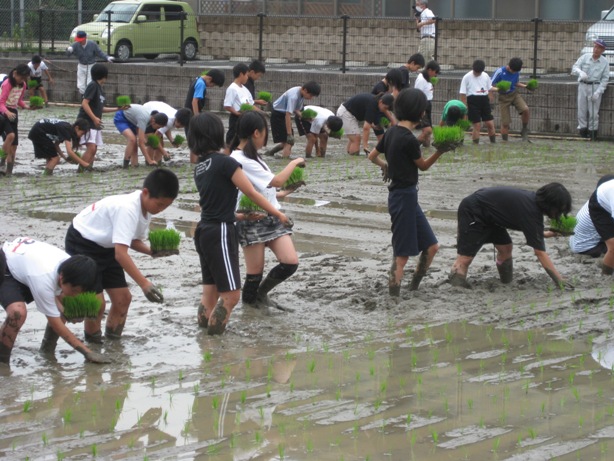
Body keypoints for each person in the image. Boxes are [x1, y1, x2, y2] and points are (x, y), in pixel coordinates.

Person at [190, 113, 290, 335]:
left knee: (210, 293)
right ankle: (214, 343)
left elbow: (214, 205)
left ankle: (203, 339)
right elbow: (252, 192)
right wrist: (277, 214)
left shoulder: (200, 166)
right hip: (221, 232)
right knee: (232, 295)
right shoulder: (227, 163)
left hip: (204, 230)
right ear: (216, 134)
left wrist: (242, 217)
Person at [64, 168, 179, 342]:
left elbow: (131, 240)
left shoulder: (146, 211)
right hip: (83, 241)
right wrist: (144, 283)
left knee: (123, 298)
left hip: (108, 246)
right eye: (160, 204)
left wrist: (152, 252)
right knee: (97, 304)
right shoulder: (128, 209)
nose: (161, 210)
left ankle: (113, 340)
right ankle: (93, 343)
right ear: (146, 193)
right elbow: (120, 254)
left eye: (166, 206)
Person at [367, 88, 452, 297]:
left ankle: (413, 288)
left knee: (431, 246)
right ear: (421, 113)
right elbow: (422, 166)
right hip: (402, 197)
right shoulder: (408, 139)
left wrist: (385, 166)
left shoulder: (392, 132)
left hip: (407, 197)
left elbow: (371, 156)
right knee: (401, 255)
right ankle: (393, 297)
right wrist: (441, 150)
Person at [230, 111, 305, 311]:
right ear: (256, 132)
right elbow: (275, 181)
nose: (266, 137)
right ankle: (249, 308)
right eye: (265, 132)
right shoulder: (240, 159)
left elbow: (267, 190)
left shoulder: (253, 158)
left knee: (290, 262)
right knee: (254, 274)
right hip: (251, 220)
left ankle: (261, 295)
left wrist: (286, 192)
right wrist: (294, 162)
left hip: (271, 217)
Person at [0, 237, 110, 365]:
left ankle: (47, 350)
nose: (76, 295)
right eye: (74, 291)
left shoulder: (71, 266)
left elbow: (57, 296)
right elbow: (56, 322)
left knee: (63, 304)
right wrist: (87, 352)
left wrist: (66, 310)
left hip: (28, 264)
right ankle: (2, 360)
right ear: (62, 278)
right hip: (6, 265)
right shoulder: (43, 279)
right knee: (17, 312)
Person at [449, 183, 574, 289]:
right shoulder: (531, 211)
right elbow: (540, 252)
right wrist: (559, 280)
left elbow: (535, 233)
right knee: (465, 257)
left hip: (491, 216)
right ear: (550, 204)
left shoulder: (533, 205)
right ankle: (456, 287)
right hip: (474, 210)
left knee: (506, 248)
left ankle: (506, 283)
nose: (559, 214)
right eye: (559, 210)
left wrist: (550, 234)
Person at [75, 63, 123, 171]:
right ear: (105, 76)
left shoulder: (100, 89)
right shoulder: (93, 85)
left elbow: (100, 109)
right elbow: (84, 103)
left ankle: (88, 169)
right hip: (86, 122)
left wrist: (118, 109)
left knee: (94, 149)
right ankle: (81, 171)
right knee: (91, 148)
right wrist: (94, 118)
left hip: (94, 123)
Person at [266, 81, 321, 159]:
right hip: (278, 115)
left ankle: (270, 153)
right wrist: (289, 134)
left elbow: (296, 110)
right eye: (311, 95)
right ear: (305, 90)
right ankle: (285, 161)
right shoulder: (294, 96)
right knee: (288, 142)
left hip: (283, 114)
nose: (311, 98)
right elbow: (288, 115)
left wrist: (305, 117)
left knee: (286, 143)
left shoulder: (300, 93)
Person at [569, 175, 614, 270]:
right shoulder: (604, 207)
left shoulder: (601, 198)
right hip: (586, 247)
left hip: (578, 240)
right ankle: (606, 274)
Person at [571, 38, 609, 140]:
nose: (596, 49)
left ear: (602, 50)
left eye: (599, 48)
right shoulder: (585, 57)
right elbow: (574, 68)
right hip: (583, 85)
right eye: (595, 46)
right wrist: (580, 72)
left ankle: (593, 133)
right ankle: (583, 131)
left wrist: (598, 92)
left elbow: (605, 79)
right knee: (581, 109)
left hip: (595, 86)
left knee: (593, 112)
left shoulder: (604, 62)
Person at [0, 64, 34, 177]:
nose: (22, 80)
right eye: (21, 77)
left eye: (24, 78)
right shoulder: (7, 84)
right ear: (15, 74)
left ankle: (9, 172)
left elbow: (19, 101)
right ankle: (1, 161)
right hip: (3, 113)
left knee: (14, 146)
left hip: (13, 113)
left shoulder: (23, 85)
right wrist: (7, 112)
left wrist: (27, 107)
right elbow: (1, 102)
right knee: (10, 136)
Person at [113, 103, 168, 168]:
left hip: (133, 121)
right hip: (122, 118)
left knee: (134, 143)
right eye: (158, 127)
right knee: (132, 139)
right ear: (153, 121)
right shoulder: (144, 119)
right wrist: (149, 160)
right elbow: (141, 143)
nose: (157, 129)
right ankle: (125, 166)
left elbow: (141, 138)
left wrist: (145, 141)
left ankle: (134, 165)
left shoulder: (149, 120)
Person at [491, 57, 531, 142]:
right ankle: (505, 142)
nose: (514, 73)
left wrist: (526, 86)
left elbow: (515, 83)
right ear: (509, 66)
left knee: (525, 109)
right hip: (504, 97)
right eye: (513, 71)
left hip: (514, 94)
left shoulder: (516, 71)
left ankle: (524, 129)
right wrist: (495, 93)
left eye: (516, 72)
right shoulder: (500, 72)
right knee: (505, 123)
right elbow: (490, 85)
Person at [460, 59, 497, 144]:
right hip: (472, 101)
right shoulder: (467, 77)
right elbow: (462, 93)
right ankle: (475, 144)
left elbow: (489, 87)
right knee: (477, 125)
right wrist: (464, 106)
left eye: (479, 72)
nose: (477, 74)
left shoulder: (485, 75)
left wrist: (499, 89)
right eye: (475, 72)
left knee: (490, 124)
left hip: (484, 100)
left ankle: (493, 143)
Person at [66, 31, 114, 95]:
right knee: (81, 86)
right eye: (79, 40)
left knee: (90, 83)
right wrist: (68, 50)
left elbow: (99, 52)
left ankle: (90, 99)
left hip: (91, 66)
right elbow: (68, 55)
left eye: (81, 40)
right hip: (81, 65)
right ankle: (83, 98)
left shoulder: (92, 44)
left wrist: (107, 57)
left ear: (85, 38)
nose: (80, 41)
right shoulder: (75, 45)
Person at [223, 63, 257, 146]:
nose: (247, 77)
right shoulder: (232, 88)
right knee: (233, 139)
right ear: (241, 74)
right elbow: (227, 105)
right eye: (246, 75)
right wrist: (237, 113)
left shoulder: (245, 89)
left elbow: (251, 103)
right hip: (236, 118)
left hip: (245, 118)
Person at [414, 60, 440, 146]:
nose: (435, 75)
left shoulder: (429, 78)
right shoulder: (421, 79)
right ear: (429, 70)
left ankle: (426, 150)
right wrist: (420, 110)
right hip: (422, 106)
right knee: (428, 130)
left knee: (428, 131)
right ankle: (414, 146)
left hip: (428, 104)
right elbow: (417, 94)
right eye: (435, 72)